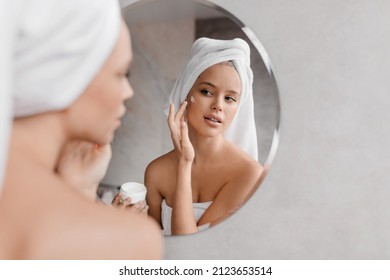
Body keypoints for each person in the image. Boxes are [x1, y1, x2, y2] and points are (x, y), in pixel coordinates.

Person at [0, 0, 162, 259]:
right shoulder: (130, 240)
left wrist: (80, 189)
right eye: (121, 73)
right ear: (70, 76)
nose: (128, 92)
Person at [145, 37, 264, 235]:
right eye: (207, 91)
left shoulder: (248, 174)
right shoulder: (156, 173)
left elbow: (192, 249)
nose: (218, 105)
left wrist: (184, 165)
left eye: (229, 98)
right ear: (186, 94)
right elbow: (154, 247)